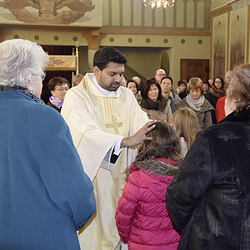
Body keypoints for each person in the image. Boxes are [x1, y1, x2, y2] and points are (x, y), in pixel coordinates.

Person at [0, 39, 96, 249]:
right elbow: (72, 190)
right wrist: (84, 213)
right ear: (28, 79)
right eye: (41, 76)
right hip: (44, 235)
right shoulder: (43, 116)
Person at [61, 46, 155, 250]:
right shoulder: (78, 95)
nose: (119, 80)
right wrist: (124, 141)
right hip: (92, 176)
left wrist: (154, 128)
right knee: (95, 231)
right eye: (112, 74)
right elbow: (82, 131)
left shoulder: (126, 95)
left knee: (120, 223)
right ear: (96, 71)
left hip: (123, 172)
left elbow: (139, 119)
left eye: (121, 74)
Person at [166, 63, 250, 250]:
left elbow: (180, 196)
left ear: (235, 99)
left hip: (215, 241)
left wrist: (195, 228)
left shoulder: (214, 138)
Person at [115, 122, 182, 249]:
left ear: (146, 145)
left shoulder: (138, 178)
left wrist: (125, 237)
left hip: (143, 244)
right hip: (175, 243)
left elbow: (124, 215)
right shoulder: (184, 175)